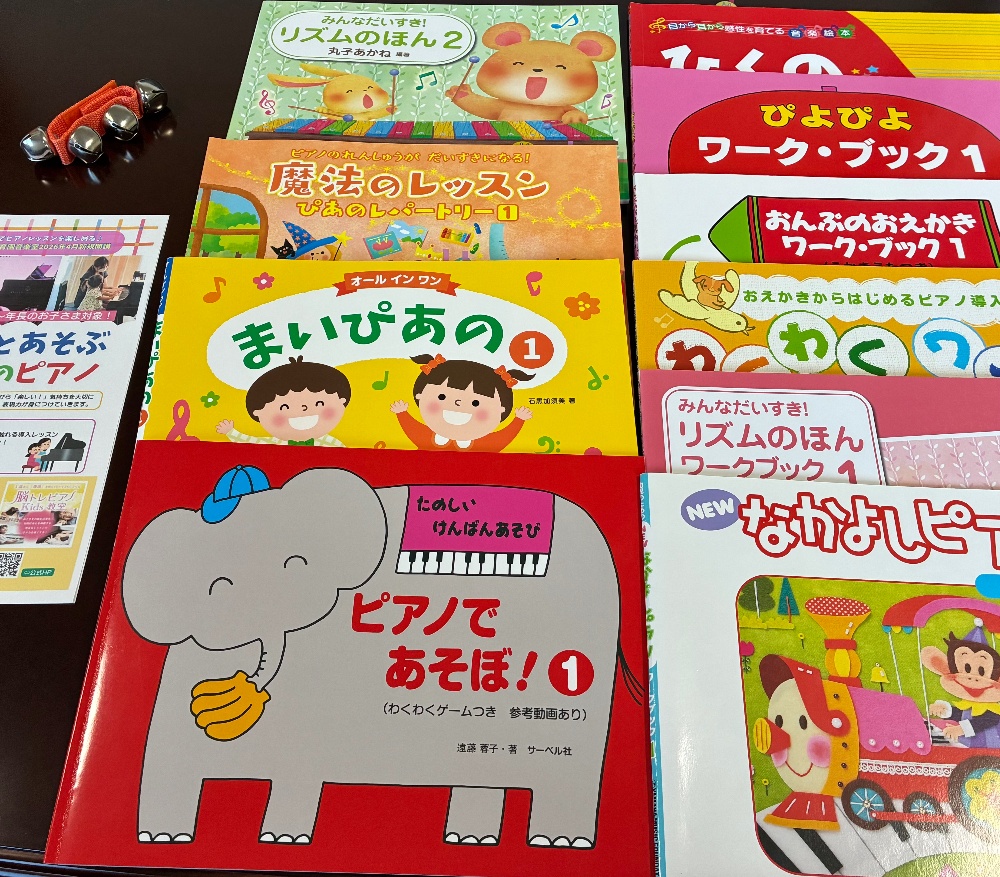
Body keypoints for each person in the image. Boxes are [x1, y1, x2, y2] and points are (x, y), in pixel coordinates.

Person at [390, 354, 533, 452]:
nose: (458, 403)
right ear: (420, 396)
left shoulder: (485, 444)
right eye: (442, 397)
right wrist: (402, 413)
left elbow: (503, 438)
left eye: (475, 403)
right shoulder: (427, 437)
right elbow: (413, 430)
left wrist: (519, 420)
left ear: (501, 409)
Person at [216, 357, 351, 446]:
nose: (304, 408)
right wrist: (231, 432)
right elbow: (252, 442)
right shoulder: (274, 444)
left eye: (319, 403)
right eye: (284, 407)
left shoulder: (331, 443)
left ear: (342, 401)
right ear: (257, 412)